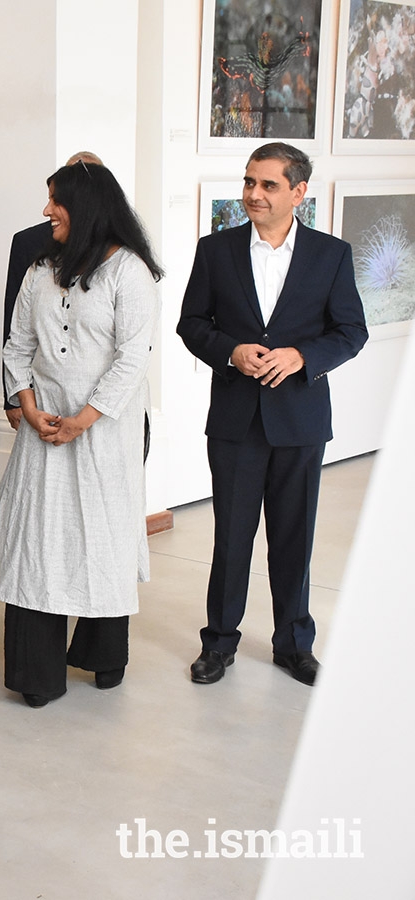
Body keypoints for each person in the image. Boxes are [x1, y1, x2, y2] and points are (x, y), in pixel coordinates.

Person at [0, 162, 163, 707]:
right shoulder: (39, 271)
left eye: (56, 201)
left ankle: (103, 656)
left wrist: (85, 418)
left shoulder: (130, 273)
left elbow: (131, 360)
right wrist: (29, 409)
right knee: (40, 542)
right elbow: (16, 346)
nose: (46, 211)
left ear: (87, 209)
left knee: (102, 538)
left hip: (104, 431)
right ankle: (37, 674)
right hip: (44, 428)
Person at [177, 142, 368, 687]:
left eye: (267, 185)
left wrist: (303, 356)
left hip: (300, 420)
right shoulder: (216, 251)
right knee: (230, 538)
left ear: (298, 193)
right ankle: (218, 644)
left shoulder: (331, 255)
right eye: (248, 183)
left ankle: (294, 645)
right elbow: (192, 323)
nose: (253, 195)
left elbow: (351, 331)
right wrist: (231, 351)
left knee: (293, 538)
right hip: (236, 420)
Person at [2, 151, 103, 431]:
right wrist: (15, 399)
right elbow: (16, 329)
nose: (48, 210)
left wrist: (84, 419)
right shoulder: (31, 247)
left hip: (102, 415)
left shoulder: (125, 262)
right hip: (41, 403)